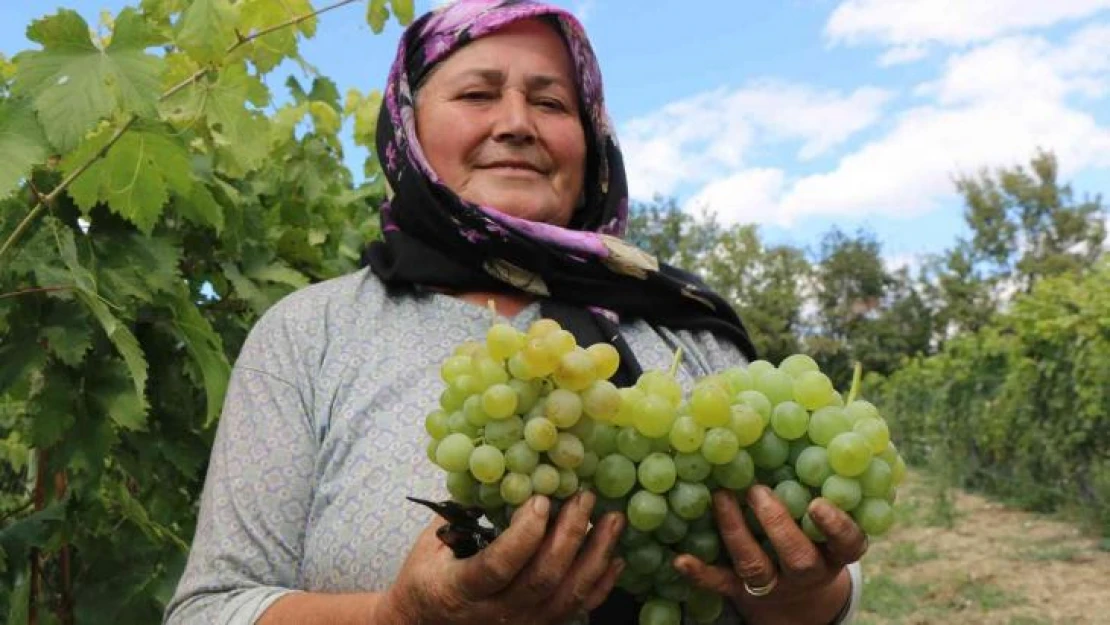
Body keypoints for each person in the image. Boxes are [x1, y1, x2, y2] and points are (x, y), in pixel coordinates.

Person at [163, 1, 867, 623]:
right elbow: (212, 608)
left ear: (591, 140)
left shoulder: (683, 327)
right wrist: (394, 618)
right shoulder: (310, 333)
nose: (516, 123)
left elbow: (824, 595)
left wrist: (801, 598)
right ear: (407, 128)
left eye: (553, 103)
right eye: (476, 93)